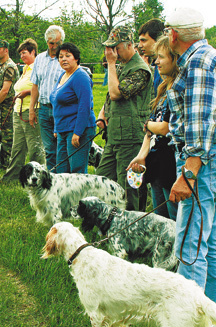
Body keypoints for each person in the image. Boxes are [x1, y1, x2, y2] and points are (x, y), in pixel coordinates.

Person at [139, 8, 216, 327]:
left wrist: (188, 172)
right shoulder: (213, 58)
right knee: (209, 242)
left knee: (189, 248)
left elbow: (200, 125)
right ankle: (214, 315)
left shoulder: (197, 63)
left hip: (202, 161)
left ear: (173, 34)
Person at [95, 26, 153, 211]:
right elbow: (109, 98)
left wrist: (111, 64)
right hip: (114, 136)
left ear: (130, 45)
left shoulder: (140, 70)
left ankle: (133, 226)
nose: (112, 53)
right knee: (103, 180)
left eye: (116, 48)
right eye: (110, 50)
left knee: (128, 188)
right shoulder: (122, 67)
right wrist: (103, 114)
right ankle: (109, 220)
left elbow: (116, 93)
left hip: (131, 137)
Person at [127, 36, 179, 221]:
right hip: (156, 161)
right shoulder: (163, 87)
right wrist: (142, 155)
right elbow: (151, 129)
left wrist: (148, 125)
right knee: (160, 219)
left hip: (171, 163)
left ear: (175, 59)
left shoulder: (179, 89)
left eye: (161, 57)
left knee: (174, 218)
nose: (156, 61)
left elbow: (165, 127)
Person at [0, 39, 45, 182]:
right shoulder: (25, 69)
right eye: (20, 54)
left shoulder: (39, 67)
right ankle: (12, 177)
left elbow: (42, 87)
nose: (22, 56)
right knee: (17, 147)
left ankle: (38, 177)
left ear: (33, 52)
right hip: (18, 110)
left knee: (34, 147)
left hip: (31, 110)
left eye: (24, 53)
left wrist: (28, 91)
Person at [50, 43, 96, 174]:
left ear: (76, 58)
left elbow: (85, 106)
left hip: (77, 129)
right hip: (62, 129)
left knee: (77, 171)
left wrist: (78, 132)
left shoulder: (80, 76)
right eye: (60, 56)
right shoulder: (63, 75)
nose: (63, 59)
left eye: (67, 56)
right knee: (62, 170)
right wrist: (56, 128)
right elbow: (57, 103)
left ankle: (83, 195)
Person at [29, 25, 65, 170]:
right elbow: (35, 85)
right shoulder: (39, 59)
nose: (55, 46)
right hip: (43, 108)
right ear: (46, 42)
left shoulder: (65, 59)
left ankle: (63, 177)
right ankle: (52, 177)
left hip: (61, 109)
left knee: (61, 147)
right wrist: (32, 109)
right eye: (52, 43)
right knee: (49, 149)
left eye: (58, 43)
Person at [0, 39, 20, 170]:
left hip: (7, 106)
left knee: (7, 137)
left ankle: (8, 166)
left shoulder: (9, 66)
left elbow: (5, 90)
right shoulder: (0, 66)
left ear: (6, 50)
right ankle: (1, 163)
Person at [138, 19, 165, 95]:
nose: (140, 45)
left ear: (159, 40)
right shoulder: (156, 65)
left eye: (144, 40)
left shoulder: (168, 66)